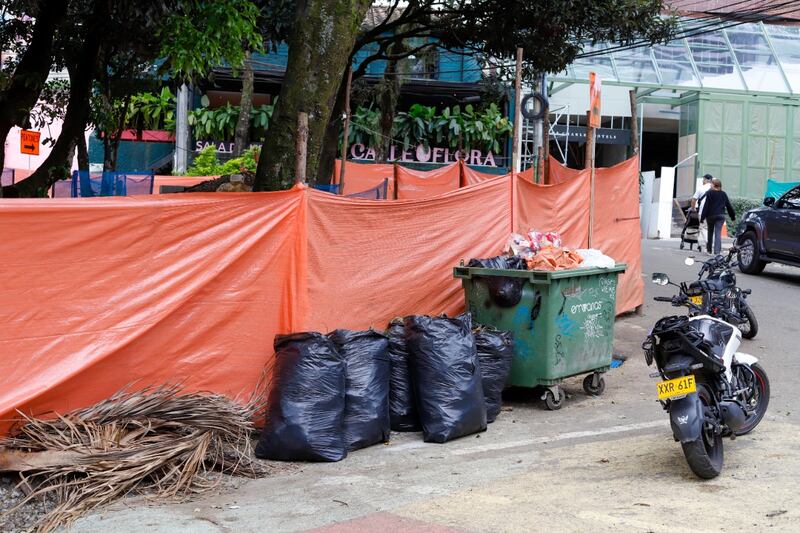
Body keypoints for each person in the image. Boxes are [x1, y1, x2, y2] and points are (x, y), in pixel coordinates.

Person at [700, 178, 735, 255]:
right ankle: (717, 252)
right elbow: (729, 206)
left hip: (710, 216)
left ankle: (709, 250)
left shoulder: (709, 193)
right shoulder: (723, 194)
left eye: (711, 184)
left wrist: (702, 218)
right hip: (720, 216)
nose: (711, 185)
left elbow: (706, 206)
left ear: (714, 185)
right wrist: (733, 217)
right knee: (718, 233)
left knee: (710, 232)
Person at [691, 174, 713, 250]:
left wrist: (693, 208)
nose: (702, 181)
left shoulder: (701, 188)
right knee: (708, 228)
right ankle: (701, 244)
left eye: (703, 180)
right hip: (713, 212)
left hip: (703, 211)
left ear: (707, 180)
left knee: (702, 227)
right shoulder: (715, 188)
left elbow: (694, 199)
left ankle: (708, 242)